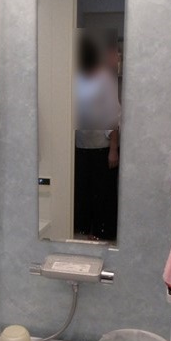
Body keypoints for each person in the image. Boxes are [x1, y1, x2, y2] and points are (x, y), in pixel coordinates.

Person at [74, 33, 121, 241]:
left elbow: (113, 116)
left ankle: (102, 232)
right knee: (82, 191)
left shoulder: (105, 79)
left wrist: (113, 149)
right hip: (80, 146)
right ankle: (83, 230)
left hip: (103, 147)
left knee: (103, 192)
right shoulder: (76, 78)